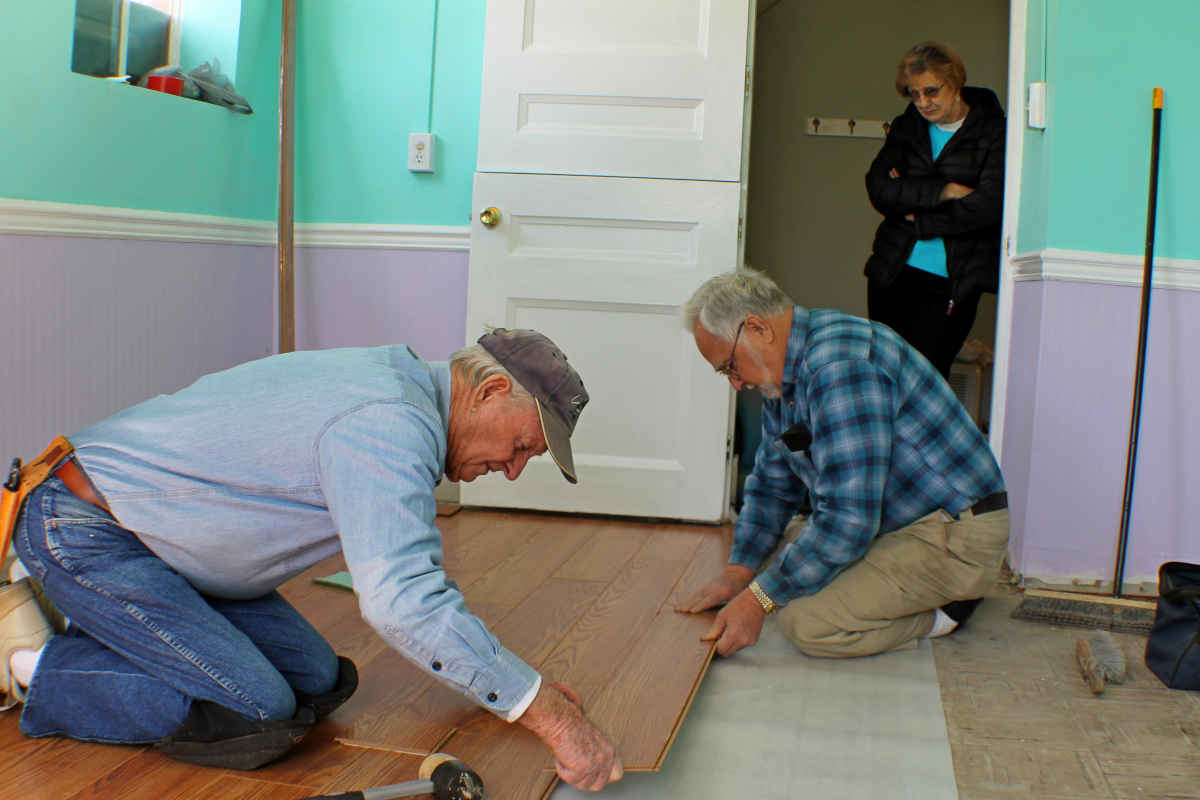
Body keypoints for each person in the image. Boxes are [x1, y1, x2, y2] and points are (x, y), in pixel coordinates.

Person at [0, 328, 623, 791]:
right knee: (257, 711)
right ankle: (32, 664)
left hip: (162, 542)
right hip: (85, 526)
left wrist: (517, 686)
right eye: (519, 447)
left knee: (318, 680)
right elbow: (402, 601)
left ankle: (96, 618)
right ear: (488, 391)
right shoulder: (388, 423)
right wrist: (547, 713)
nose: (512, 472)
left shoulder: (398, 385)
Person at [676, 270, 1010, 659]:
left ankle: (948, 610)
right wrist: (740, 572)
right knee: (785, 566)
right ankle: (914, 587)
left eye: (729, 366)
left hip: (956, 535)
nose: (735, 383)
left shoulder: (841, 366)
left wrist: (757, 600)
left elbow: (849, 520)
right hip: (902, 523)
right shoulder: (782, 375)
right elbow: (772, 484)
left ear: (757, 329)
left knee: (807, 622)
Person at [864, 41, 1006, 378]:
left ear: (955, 83)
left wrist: (918, 213)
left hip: (952, 281)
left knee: (926, 382)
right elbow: (879, 187)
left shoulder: (993, 131)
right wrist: (946, 190)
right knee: (883, 376)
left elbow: (987, 206)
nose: (922, 103)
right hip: (893, 271)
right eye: (914, 94)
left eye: (931, 91)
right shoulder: (907, 126)